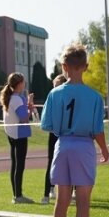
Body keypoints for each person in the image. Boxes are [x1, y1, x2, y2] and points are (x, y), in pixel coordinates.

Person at [41, 44, 109, 217]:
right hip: (83, 145)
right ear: (86, 67)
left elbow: (48, 124)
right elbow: (98, 129)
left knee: (61, 201)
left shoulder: (54, 93)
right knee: (82, 201)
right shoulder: (95, 97)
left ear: (64, 67)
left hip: (63, 145)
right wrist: (104, 149)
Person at [0, 72, 36, 203]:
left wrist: (28, 105)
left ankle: (16, 194)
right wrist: (30, 107)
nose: (24, 84)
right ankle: (18, 196)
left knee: (15, 164)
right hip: (19, 135)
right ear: (19, 84)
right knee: (19, 165)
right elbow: (24, 118)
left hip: (11, 135)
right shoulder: (17, 99)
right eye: (23, 82)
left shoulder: (10, 98)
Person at [42, 74, 67, 204]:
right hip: (54, 134)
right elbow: (45, 119)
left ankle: (72, 191)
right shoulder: (51, 97)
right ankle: (47, 193)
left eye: (57, 86)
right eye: (54, 86)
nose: (55, 89)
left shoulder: (68, 97)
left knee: (69, 163)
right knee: (51, 162)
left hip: (67, 135)